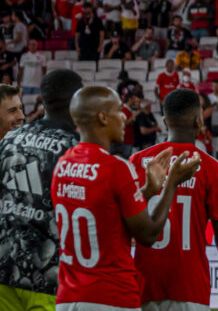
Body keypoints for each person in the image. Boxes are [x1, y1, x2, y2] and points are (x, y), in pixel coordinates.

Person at [51, 86, 201, 311]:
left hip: (68, 297)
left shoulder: (62, 165)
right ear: (103, 117)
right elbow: (148, 234)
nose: (124, 117)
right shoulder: (116, 167)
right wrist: (171, 183)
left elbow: (108, 216)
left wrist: (149, 190)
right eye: (118, 111)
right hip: (112, 296)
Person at [131, 89, 218, 310]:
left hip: (144, 284)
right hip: (189, 285)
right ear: (199, 121)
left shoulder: (137, 161)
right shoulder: (208, 166)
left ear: (164, 122)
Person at [0, 70, 82, 310]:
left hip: (4, 269)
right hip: (47, 278)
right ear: (77, 100)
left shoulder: (10, 139)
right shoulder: (74, 149)